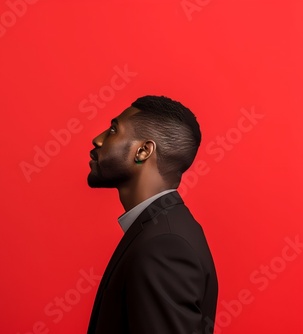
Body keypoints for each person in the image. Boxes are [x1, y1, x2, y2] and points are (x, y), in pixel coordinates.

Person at [86, 95, 218, 334]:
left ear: (143, 151)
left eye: (114, 130)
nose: (97, 140)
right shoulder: (160, 231)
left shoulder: (164, 246)